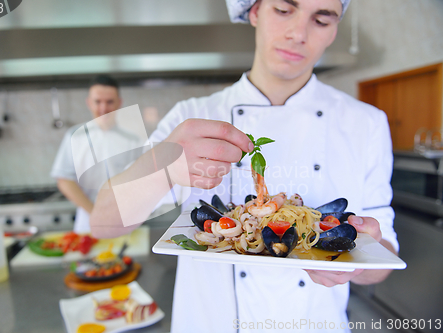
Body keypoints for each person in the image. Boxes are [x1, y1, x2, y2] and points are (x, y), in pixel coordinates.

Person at [90, 0, 399, 332]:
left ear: (335, 29)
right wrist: (162, 166)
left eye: (321, 20)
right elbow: (103, 225)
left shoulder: (366, 123)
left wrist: (359, 263)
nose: (298, 33)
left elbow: (385, 259)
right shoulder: (191, 117)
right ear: (254, 11)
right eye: (283, 10)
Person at [51, 75, 140, 233]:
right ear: (89, 102)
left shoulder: (134, 139)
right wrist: (96, 214)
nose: (103, 108)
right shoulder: (75, 136)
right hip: (88, 221)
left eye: (110, 102)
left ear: (119, 103)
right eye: (98, 101)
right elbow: (64, 180)